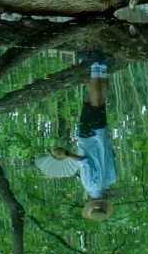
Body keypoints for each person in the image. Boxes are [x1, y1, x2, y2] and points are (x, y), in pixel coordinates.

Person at [48, 54, 116, 220]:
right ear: (90, 202)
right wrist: (66, 154)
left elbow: (112, 154)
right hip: (89, 137)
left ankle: (103, 66)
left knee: (99, 103)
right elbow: (85, 161)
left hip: (102, 136)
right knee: (94, 102)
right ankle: (95, 63)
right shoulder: (89, 185)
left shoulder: (112, 179)